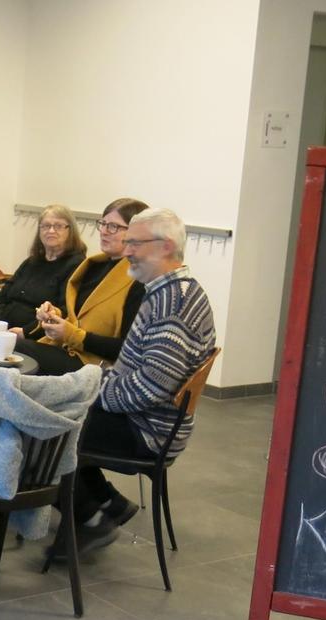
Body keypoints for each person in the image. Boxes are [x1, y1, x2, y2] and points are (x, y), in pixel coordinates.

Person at [70, 208, 217, 553]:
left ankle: (91, 519)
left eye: (134, 243)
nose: (126, 251)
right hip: (152, 421)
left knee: (42, 427)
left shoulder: (172, 303)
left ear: (166, 246)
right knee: (57, 408)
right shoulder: (175, 289)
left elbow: (149, 388)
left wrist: (91, 391)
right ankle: (108, 502)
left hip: (147, 431)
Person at [23, 197, 149, 376]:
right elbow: (77, 316)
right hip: (67, 349)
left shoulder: (138, 280)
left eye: (113, 227)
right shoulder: (94, 266)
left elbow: (127, 349)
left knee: (14, 351)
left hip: (94, 364)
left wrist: (72, 335)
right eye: (103, 224)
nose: (104, 232)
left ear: (136, 234)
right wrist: (53, 315)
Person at [0, 204, 87, 349]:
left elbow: (65, 311)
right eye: (45, 226)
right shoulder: (31, 262)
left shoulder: (76, 265)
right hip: (2, 331)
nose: (51, 230)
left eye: (58, 226)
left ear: (70, 231)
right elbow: (2, 296)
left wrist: (25, 332)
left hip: (34, 339)